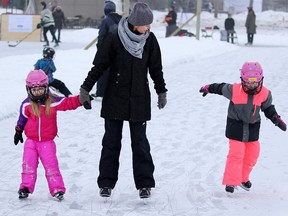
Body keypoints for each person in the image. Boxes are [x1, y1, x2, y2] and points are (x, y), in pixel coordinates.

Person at [79, 2, 167, 199]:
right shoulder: (114, 37)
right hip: (115, 98)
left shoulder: (149, 40)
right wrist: (85, 88)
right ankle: (106, 183)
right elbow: (99, 66)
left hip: (139, 98)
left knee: (140, 143)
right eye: (146, 24)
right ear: (136, 23)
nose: (149, 28)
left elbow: (156, 69)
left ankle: (144, 184)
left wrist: (161, 91)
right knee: (111, 142)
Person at [199, 62, 286, 193]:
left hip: (253, 127)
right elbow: (220, 87)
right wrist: (208, 88)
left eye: (255, 82)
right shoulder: (235, 90)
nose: (251, 85)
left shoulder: (265, 93)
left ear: (260, 80)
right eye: (248, 82)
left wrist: (276, 119)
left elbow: (268, 108)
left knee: (253, 155)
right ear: (242, 80)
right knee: (236, 154)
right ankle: (231, 181)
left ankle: (242, 178)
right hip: (236, 126)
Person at [14, 70, 82, 200]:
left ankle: (57, 189)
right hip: (30, 142)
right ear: (29, 90)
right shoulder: (27, 104)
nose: (38, 92)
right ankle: (25, 188)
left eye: (40, 89)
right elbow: (22, 119)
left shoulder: (53, 101)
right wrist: (18, 130)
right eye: (34, 90)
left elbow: (68, 103)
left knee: (51, 167)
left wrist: (80, 99)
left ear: (45, 88)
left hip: (47, 143)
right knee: (28, 165)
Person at [91, 1, 122, 99]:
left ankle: (100, 93)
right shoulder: (121, 20)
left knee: (103, 71)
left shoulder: (106, 21)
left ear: (105, 10)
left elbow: (102, 37)